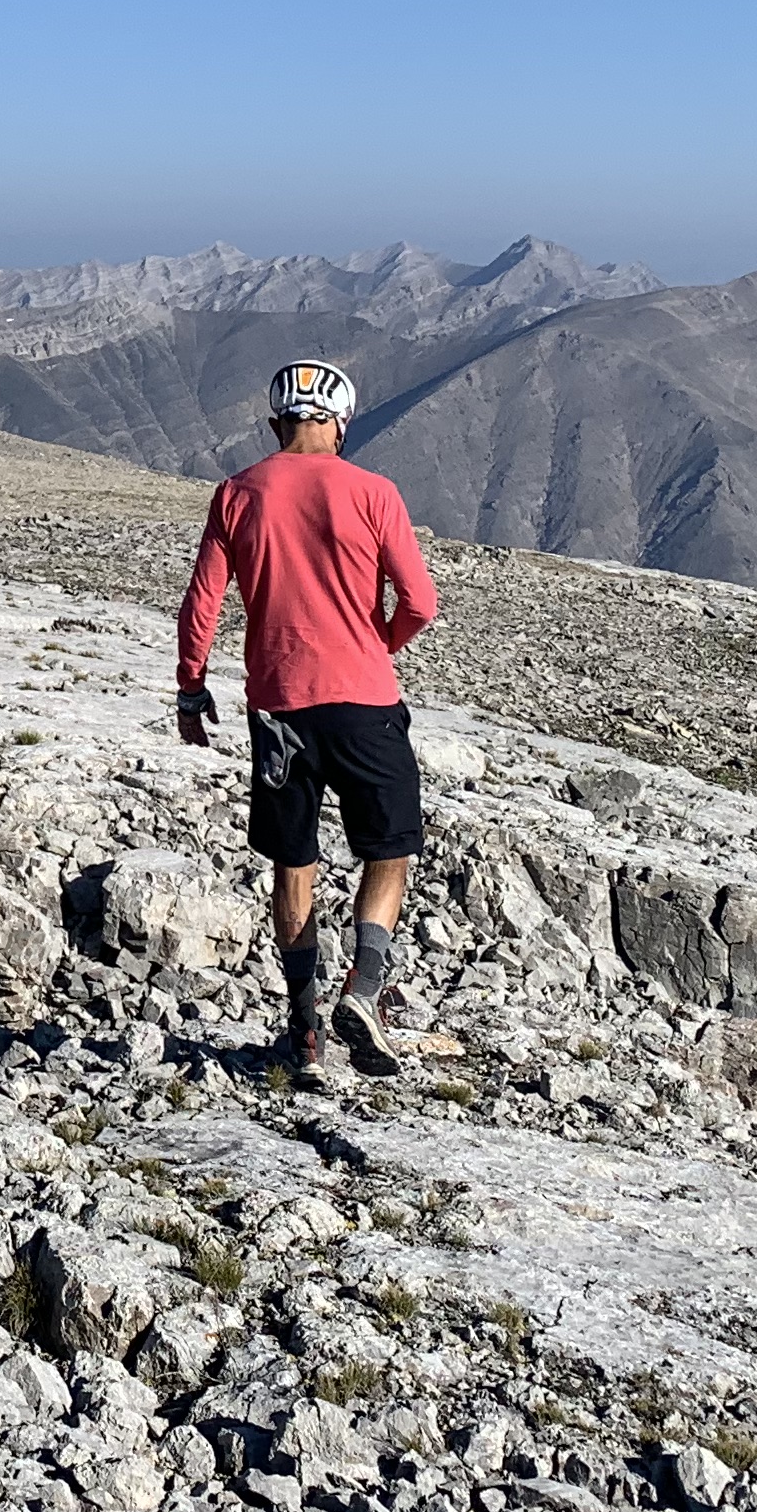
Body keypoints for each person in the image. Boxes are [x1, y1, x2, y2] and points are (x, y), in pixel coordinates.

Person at [174, 357, 439, 1074]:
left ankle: (305, 1029)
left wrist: (191, 690)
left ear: (274, 424)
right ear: (341, 425)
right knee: (388, 850)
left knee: (295, 863)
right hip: (366, 703)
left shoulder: (236, 493)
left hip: (279, 709)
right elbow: (420, 602)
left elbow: (202, 603)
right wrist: (374, 647)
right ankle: (367, 983)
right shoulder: (374, 492)